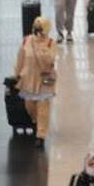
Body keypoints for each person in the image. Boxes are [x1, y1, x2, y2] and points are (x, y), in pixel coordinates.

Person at [13, 15, 57, 147]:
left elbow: (50, 60)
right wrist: (16, 74)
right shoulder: (26, 41)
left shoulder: (50, 43)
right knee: (30, 105)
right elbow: (20, 59)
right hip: (29, 79)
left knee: (43, 106)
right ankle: (36, 121)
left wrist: (42, 51)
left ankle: (41, 134)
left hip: (44, 79)